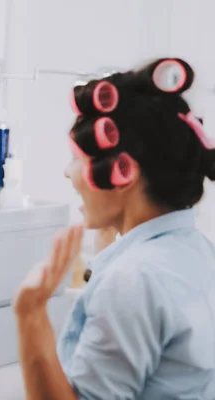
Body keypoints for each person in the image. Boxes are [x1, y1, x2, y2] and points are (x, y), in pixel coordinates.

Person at [14, 58, 215, 399]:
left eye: (78, 158)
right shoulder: (198, 249)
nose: (68, 172)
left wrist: (30, 313)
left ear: (123, 170)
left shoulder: (132, 280)